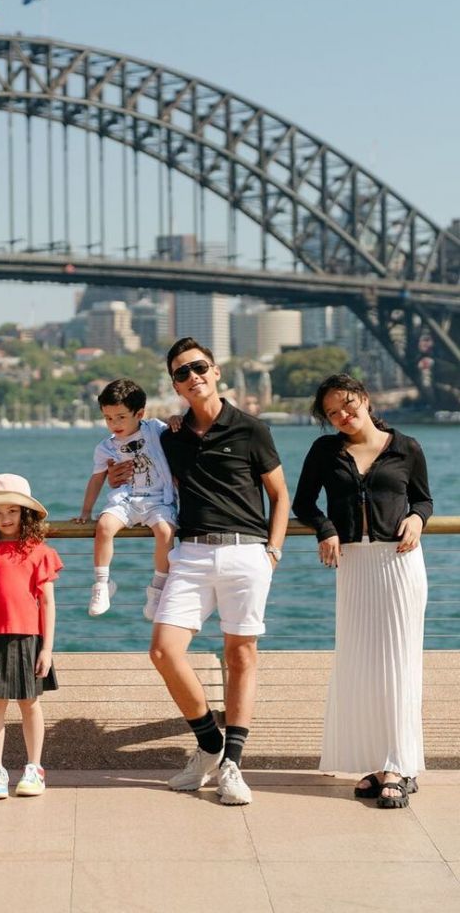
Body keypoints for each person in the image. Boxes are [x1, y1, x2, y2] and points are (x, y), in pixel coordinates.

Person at [145, 337, 289, 805]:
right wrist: (120, 476)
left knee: (240, 654)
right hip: (190, 553)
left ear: (216, 370)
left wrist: (273, 551)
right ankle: (209, 743)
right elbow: (132, 459)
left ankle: (233, 765)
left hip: (247, 552)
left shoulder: (251, 429)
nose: (193, 376)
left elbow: (280, 496)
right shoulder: (170, 437)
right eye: (183, 373)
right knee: (165, 651)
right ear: (176, 385)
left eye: (199, 367)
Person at [293, 374, 431, 809]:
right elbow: (303, 503)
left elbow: (424, 500)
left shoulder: (405, 446)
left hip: (399, 563)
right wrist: (327, 529)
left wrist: (418, 520)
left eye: (348, 405)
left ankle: (398, 765)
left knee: (400, 664)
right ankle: (374, 762)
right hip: (353, 565)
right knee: (361, 664)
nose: (343, 416)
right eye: (332, 412)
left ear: (366, 400)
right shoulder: (325, 451)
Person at [0, 474, 61, 799]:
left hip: (29, 639)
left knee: (30, 703)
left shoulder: (39, 551)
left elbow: (47, 602)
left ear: (25, 513)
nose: (5, 519)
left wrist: (47, 648)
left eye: (12, 511)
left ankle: (34, 768)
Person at [73, 378, 176, 619]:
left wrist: (175, 420)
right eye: (108, 418)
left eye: (121, 417)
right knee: (105, 526)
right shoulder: (105, 447)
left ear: (139, 413)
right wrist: (86, 512)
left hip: (159, 499)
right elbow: (97, 479)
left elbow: (177, 432)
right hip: (127, 499)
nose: (114, 424)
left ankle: (158, 589)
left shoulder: (155, 430)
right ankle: (102, 583)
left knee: (165, 533)